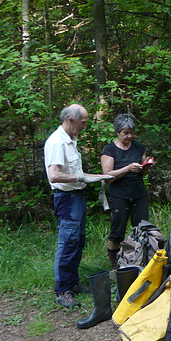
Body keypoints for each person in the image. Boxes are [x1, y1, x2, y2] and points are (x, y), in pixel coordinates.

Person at [44, 104, 113, 309]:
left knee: (78, 240)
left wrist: (100, 177)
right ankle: (62, 290)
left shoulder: (71, 140)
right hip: (66, 198)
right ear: (71, 120)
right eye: (83, 122)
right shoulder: (57, 142)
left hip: (77, 196)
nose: (85, 126)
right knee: (67, 241)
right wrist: (82, 177)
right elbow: (54, 175)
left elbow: (76, 174)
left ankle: (73, 283)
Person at [100, 114, 152, 270]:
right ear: (117, 132)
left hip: (139, 193)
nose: (129, 136)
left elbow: (143, 173)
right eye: (125, 133)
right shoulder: (109, 150)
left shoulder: (138, 146)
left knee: (142, 229)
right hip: (119, 195)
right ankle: (115, 266)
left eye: (131, 132)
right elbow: (107, 176)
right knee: (118, 230)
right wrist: (127, 168)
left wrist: (145, 168)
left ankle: (140, 261)